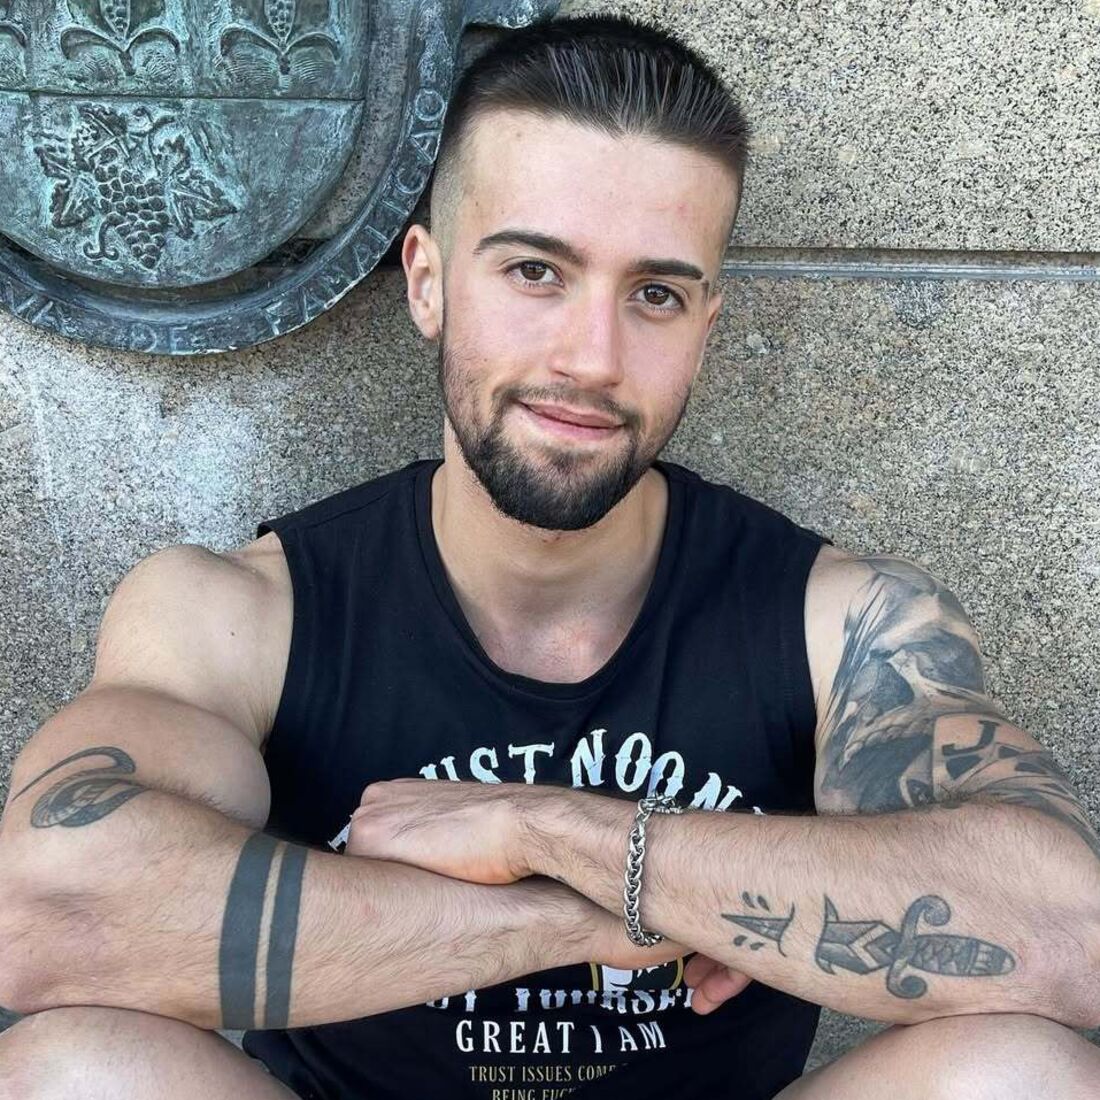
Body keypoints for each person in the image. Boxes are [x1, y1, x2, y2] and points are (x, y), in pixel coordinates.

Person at [0, 15, 1098, 1100]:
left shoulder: (841, 622)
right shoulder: (239, 613)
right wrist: (586, 915)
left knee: (1025, 1077)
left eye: (655, 294)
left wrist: (547, 826)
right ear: (427, 283)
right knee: (69, 1073)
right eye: (535, 271)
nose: (591, 357)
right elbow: (45, 916)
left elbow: (1066, 933)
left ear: (704, 325)